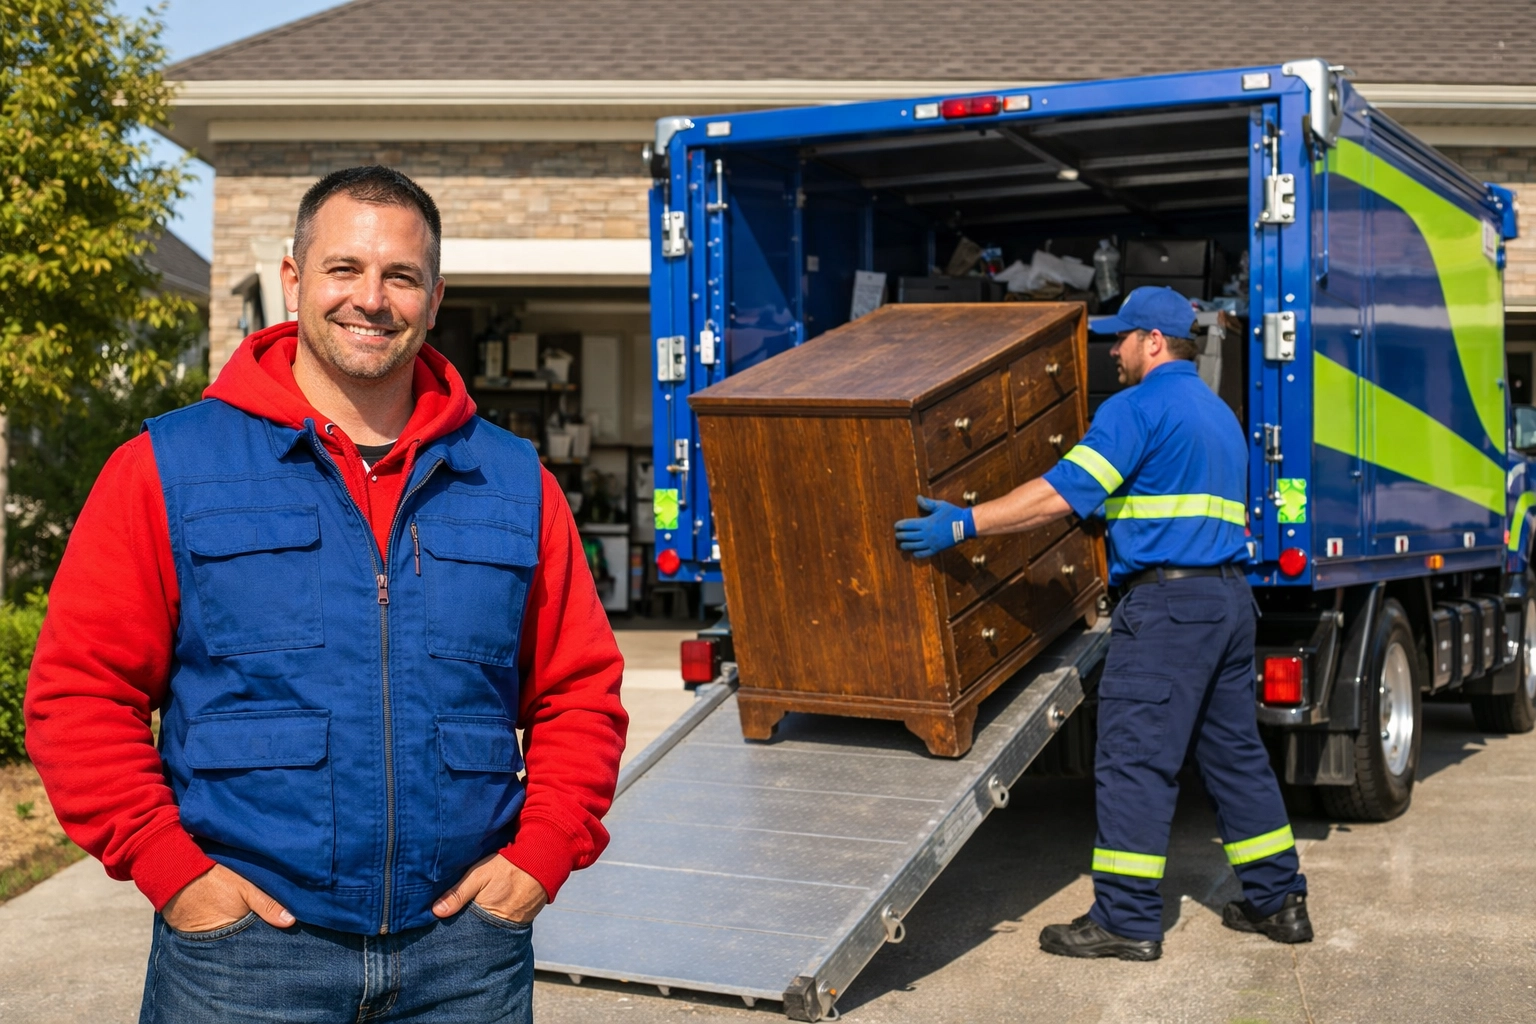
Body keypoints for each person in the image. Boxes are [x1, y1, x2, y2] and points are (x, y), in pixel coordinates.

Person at [24, 166, 628, 1021]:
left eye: (401, 276)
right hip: (243, 960)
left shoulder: (513, 482)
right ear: (293, 279)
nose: (371, 299)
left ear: (435, 296)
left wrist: (538, 860)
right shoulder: (168, 468)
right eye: (344, 269)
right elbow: (79, 694)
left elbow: (580, 694)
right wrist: (180, 879)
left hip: (464, 960)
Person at [894, 286, 1311, 961]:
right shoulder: (1218, 414)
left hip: (1168, 610)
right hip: (1229, 604)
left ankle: (1126, 918)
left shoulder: (1134, 408)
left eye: (1120, 339)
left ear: (1153, 342)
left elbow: (1058, 494)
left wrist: (964, 522)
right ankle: (1279, 901)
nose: (1111, 352)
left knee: (1133, 762)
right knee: (1235, 757)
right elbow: (1167, 501)